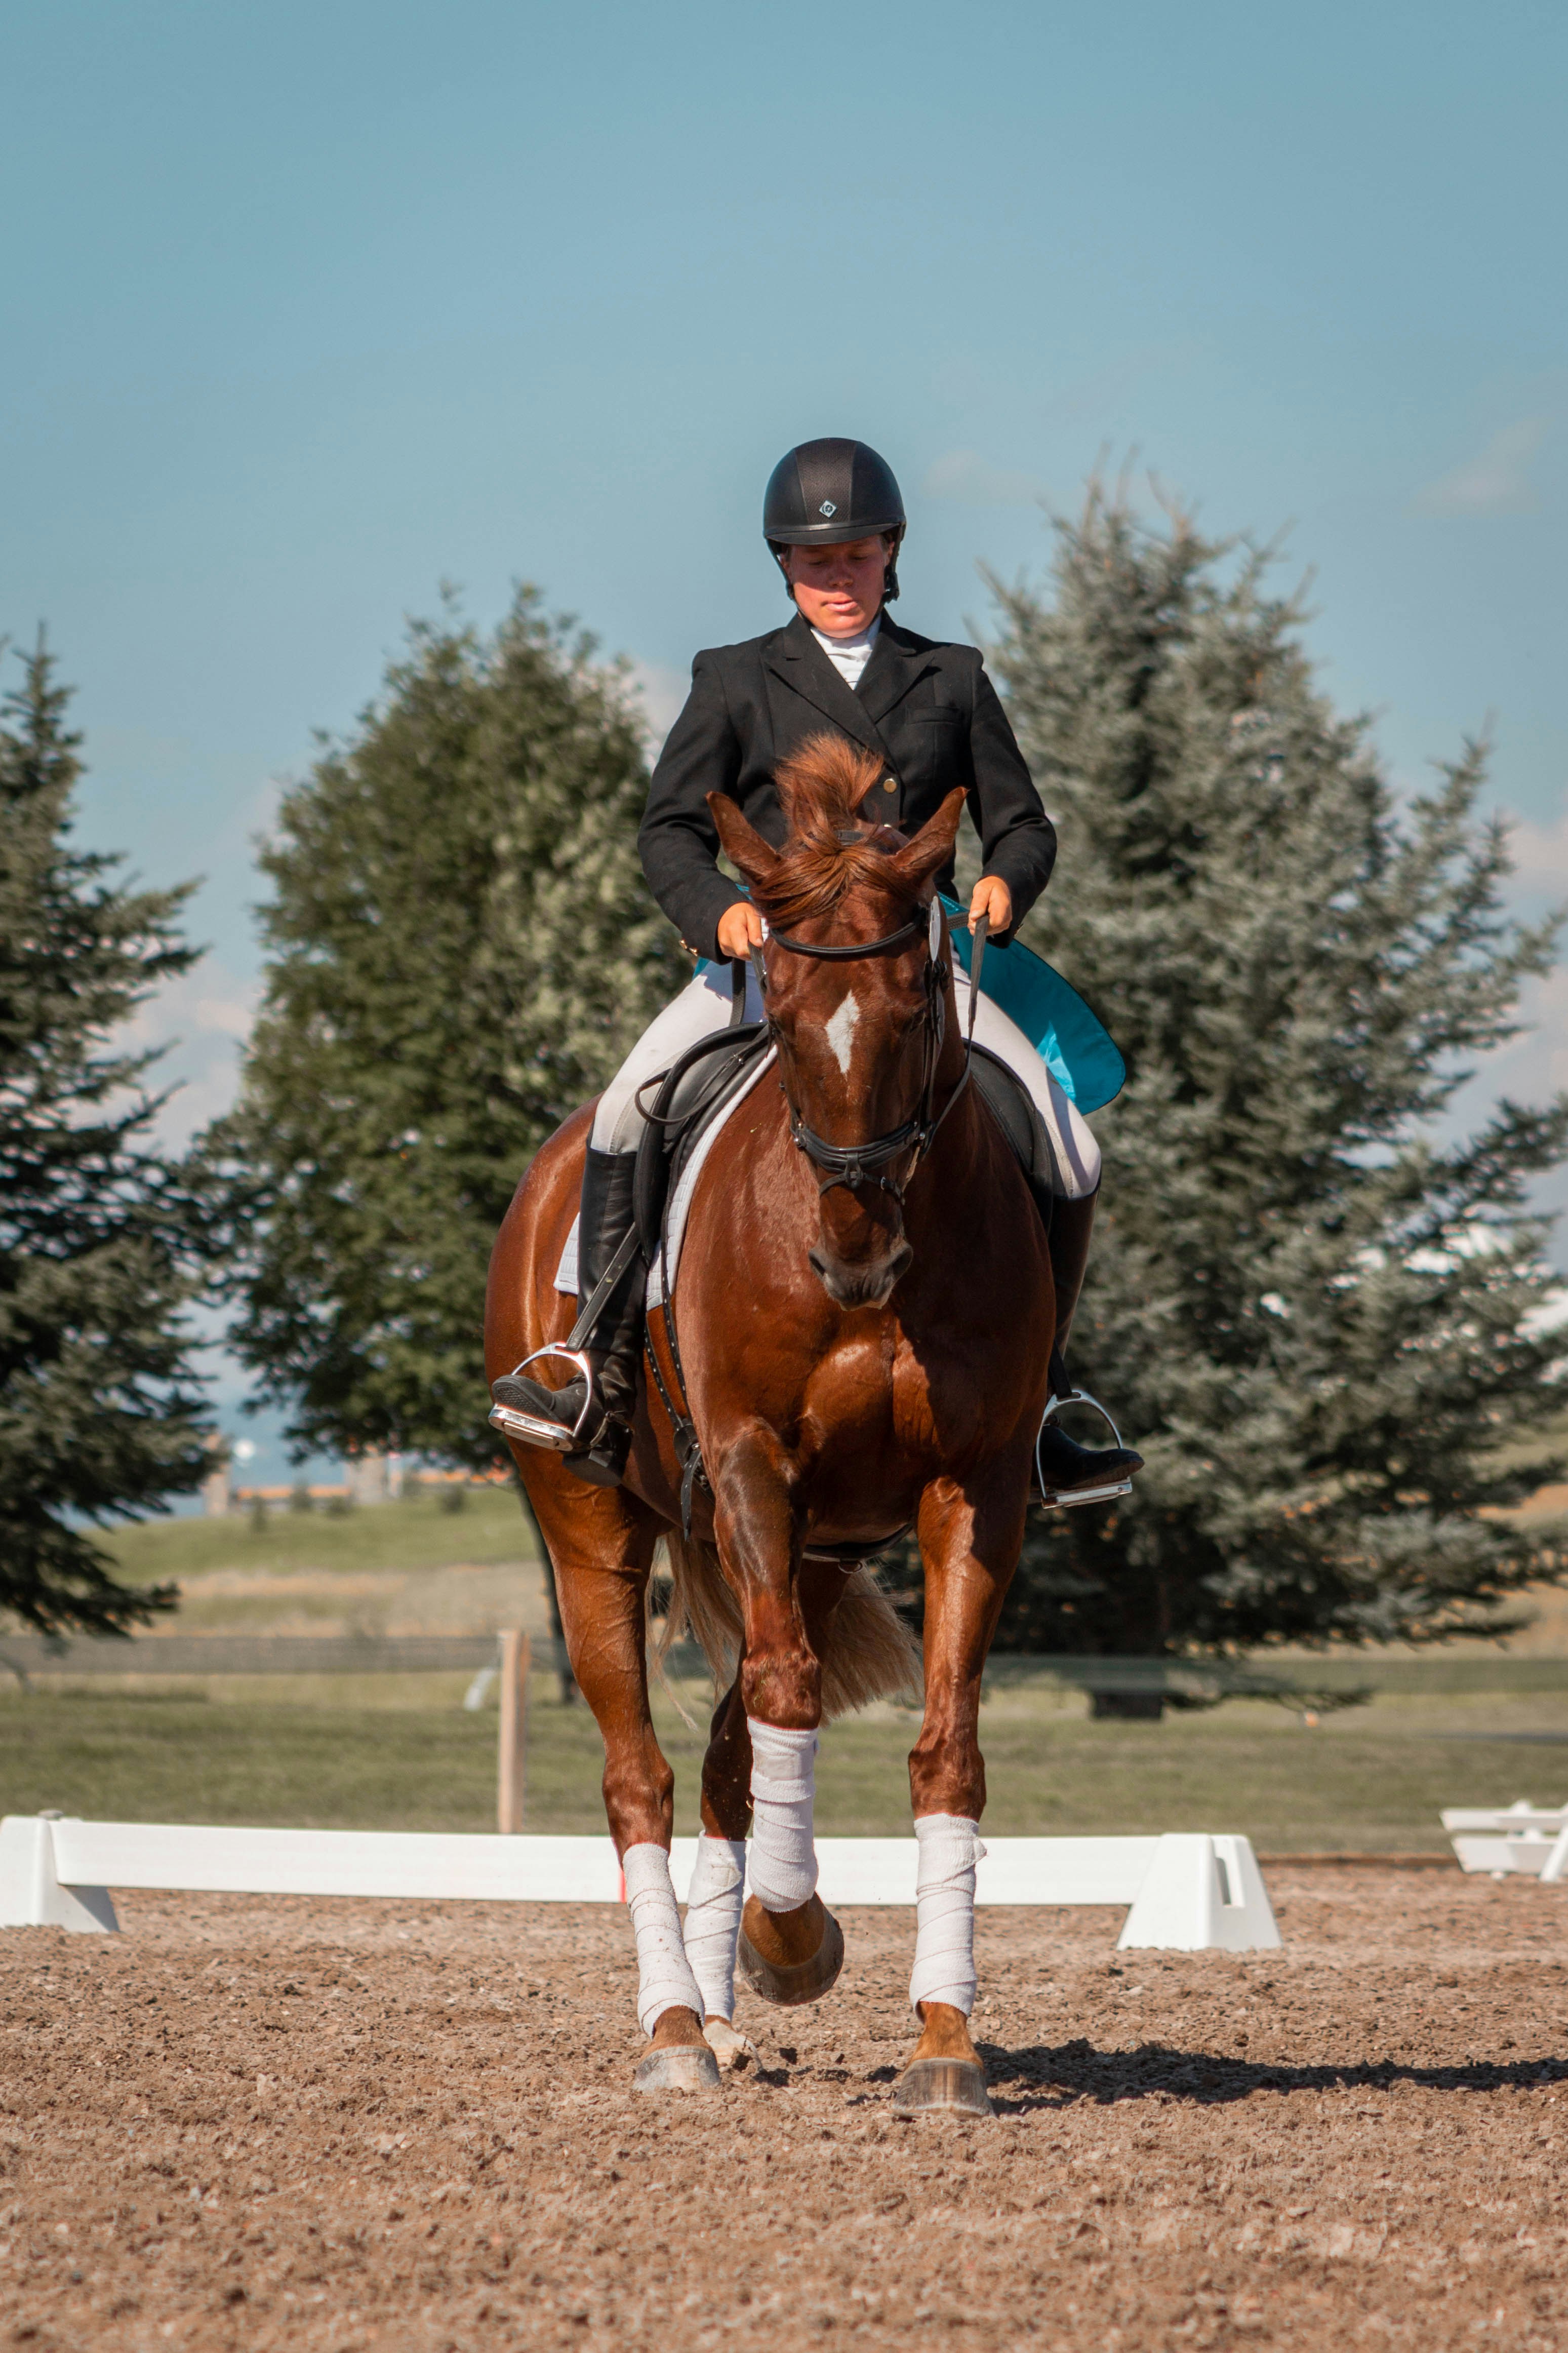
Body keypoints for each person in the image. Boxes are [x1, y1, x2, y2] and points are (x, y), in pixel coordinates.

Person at [491, 437, 1141, 1500]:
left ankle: (1043, 1402)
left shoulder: (952, 677)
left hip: (913, 970)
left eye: (854, 558)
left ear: (890, 553)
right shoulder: (735, 679)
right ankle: (593, 1370)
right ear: (784, 566)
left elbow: (1021, 821)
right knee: (623, 1112)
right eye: (813, 561)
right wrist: (720, 915)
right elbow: (668, 832)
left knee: (1070, 1147)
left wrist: (1003, 887)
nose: (835, 579)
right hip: (771, 966)